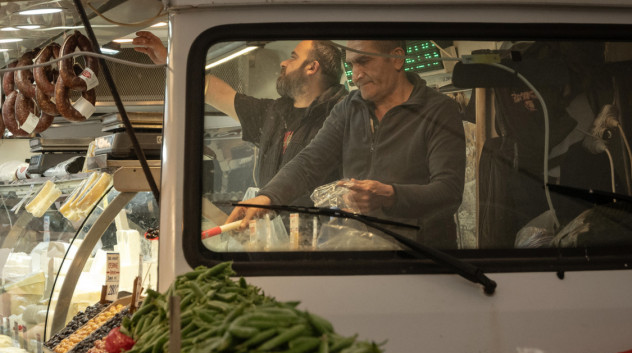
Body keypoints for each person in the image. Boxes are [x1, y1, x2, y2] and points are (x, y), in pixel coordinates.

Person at [227, 39, 466, 248]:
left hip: (424, 259)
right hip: (361, 251)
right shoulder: (349, 108)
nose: (356, 75)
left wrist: (390, 196)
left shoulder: (438, 110)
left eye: (364, 61)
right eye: (351, 65)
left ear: (396, 58)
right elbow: (310, 162)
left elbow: (448, 192)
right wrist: (267, 199)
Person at [132, 31, 347, 190]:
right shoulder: (274, 114)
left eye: (293, 57)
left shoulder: (344, 117)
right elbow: (217, 93)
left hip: (324, 235)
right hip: (278, 233)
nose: (284, 62)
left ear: (312, 67)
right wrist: (171, 61)